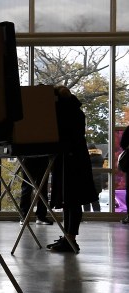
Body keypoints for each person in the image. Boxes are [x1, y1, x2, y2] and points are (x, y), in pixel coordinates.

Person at [47, 86, 97, 253]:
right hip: (76, 159)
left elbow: (62, 135)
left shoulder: (64, 113)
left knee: (71, 200)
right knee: (71, 201)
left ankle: (70, 238)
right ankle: (68, 236)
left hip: (69, 160)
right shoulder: (75, 111)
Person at [18, 156, 53, 225]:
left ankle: (25, 216)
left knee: (28, 188)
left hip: (29, 156)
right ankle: (39, 216)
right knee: (38, 188)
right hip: (40, 156)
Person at [83, 143, 105, 212]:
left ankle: (87, 216)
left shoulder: (87, 158)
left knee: (86, 201)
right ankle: (97, 215)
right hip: (98, 181)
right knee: (95, 201)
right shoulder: (100, 158)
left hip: (88, 181)